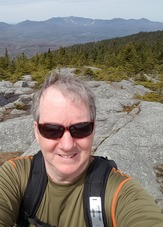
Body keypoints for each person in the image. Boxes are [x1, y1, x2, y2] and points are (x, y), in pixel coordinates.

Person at [0, 72, 163, 227]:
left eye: (81, 128)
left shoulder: (119, 193)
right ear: (36, 131)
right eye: (51, 129)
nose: (67, 144)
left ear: (93, 129)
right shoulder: (15, 176)